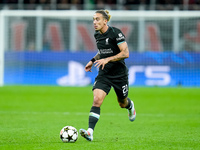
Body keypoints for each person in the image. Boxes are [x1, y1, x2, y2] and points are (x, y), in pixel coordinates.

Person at [79, 9, 136, 141]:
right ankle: (90, 132)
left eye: (97, 19)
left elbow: (125, 53)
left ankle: (130, 105)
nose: (94, 22)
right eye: (93, 19)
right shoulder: (97, 35)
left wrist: (107, 59)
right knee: (97, 100)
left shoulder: (116, 33)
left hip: (119, 75)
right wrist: (92, 61)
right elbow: (103, 52)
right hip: (104, 73)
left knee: (122, 103)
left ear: (105, 21)